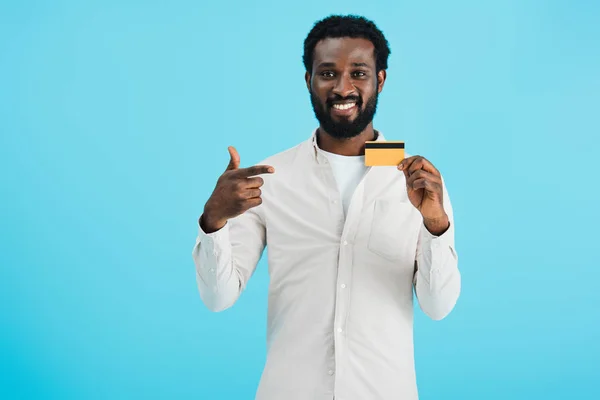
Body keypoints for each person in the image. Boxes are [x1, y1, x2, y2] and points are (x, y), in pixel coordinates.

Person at [192, 14, 461, 400]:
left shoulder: (417, 180)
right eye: (328, 73)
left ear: (380, 80)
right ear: (309, 80)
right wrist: (213, 219)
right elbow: (218, 297)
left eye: (359, 73)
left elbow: (438, 307)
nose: (343, 87)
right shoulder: (270, 176)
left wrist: (435, 224)